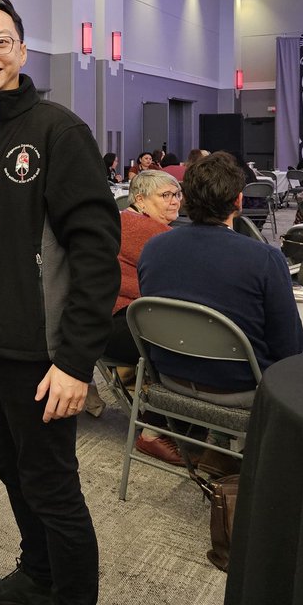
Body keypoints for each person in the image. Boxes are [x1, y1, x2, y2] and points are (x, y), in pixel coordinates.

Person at [0, 0, 120, 605]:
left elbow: (97, 255)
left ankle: (71, 597)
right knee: (1, 454)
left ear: (21, 50)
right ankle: (37, 573)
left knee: (51, 480)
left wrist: (75, 362)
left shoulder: (56, 130)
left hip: (42, 345)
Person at [138, 151, 303, 405]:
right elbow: (289, 349)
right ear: (238, 200)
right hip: (240, 385)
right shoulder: (264, 259)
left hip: (170, 375)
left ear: (185, 199)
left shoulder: (152, 248)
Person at [104, 170, 182, 464]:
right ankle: (153, 431)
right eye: (166, 196)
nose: (175, 202)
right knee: (187, 345)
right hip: (116, 324)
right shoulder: (141, 228)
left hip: (120, 319)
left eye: (177, 195)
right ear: (140, 199)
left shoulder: (130, 219)